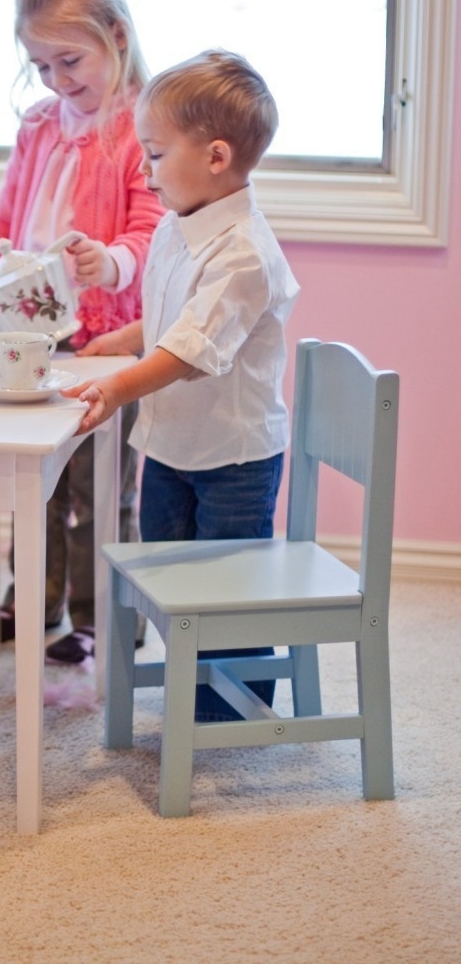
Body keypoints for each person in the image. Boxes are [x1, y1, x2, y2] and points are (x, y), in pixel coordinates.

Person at [0, 0, 164, 660]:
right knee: (32, 478)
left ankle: (99, 615)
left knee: (99, 486)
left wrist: (111, 259)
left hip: (102, 341)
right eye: (42, 67)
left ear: (115, 37)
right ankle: (32, 599)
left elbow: (154, 228)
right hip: (28, 336)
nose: (59, 81)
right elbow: (2, 218)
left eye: (71, 61)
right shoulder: (37, 127)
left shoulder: (140, 130)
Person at [64, 48, 299, 718]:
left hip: (232, 455)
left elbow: (195, 351)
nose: (146, 169)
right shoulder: (177, 225)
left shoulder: (244, 252)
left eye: (158, 154)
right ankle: (192, 687)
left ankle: (232, 716)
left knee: (225, 588)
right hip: (171, 443)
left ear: (216, 157)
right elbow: (175, 316)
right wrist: (129, 338)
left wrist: (118, 386)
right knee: (172, 576)